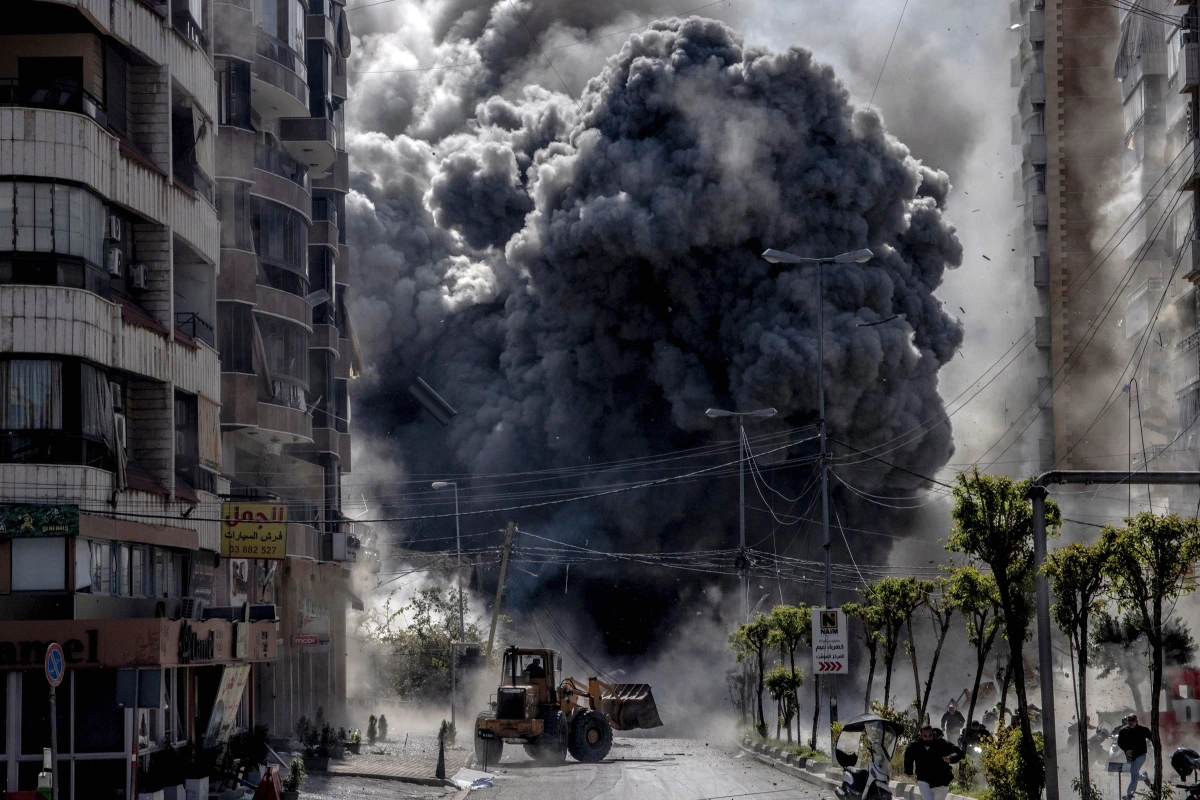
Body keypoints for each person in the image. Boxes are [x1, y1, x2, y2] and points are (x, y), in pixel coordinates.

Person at [905, 725, 965, 800]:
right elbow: (908, 757)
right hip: (924, 779)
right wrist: (909, 771)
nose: (928, 738)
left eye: (930, 736)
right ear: (921, 736)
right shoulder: (915, 746)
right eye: (925, 736)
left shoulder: (941, 743)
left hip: (941, 781)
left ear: (933, 734)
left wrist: (950, 758)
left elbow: (958, 752)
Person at [1117, 713, 1153, 800]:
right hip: (1130, 757)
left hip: (1141, 756)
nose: (1130, 722)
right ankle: (1144, 776)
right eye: (1129, 721)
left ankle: (1129, 795)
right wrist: (1126, 750)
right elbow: (1120, 742)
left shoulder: (1143, 730)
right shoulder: (1123, 731)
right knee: (1134, 774)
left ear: (1136, 721)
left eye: (1132, 721)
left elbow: (1152, 737)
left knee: (1133, 772)